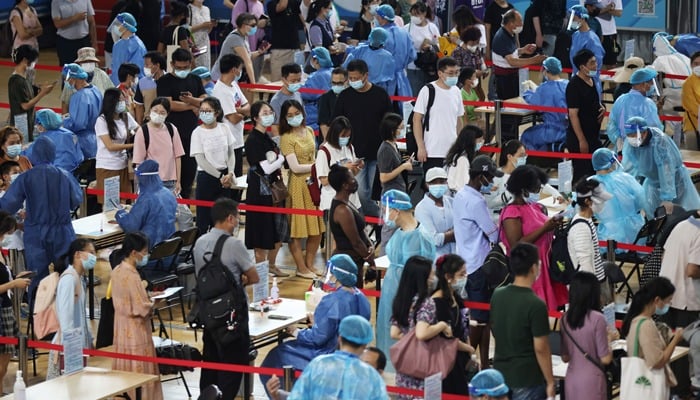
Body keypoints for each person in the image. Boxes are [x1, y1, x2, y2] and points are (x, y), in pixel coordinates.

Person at [260, 254, 372, 394]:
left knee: (278, 354)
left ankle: (287, 395)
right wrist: (319, 322)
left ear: (336, 275)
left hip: (327, 352)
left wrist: (295, 331)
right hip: (354, 351)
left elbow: (318, 338)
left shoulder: (332, 300)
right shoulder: (362, 298)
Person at [192, 198, 259, 399]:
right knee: (232, 368)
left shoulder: (200, 242)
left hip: (208, 314)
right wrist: (240, 279)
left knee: (210, 364)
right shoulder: (234, 245)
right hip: (232, 317)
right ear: (230, 218)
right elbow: (254, 276)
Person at [0, 136, 81, 296]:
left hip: (36, 233)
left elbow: (8, 205)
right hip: (63, 231)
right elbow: (76, 201)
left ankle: (38, 316)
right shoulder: (64, 175)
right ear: (53, 153)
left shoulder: (26, 177)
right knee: (68, 276)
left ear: (34, 154)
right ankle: (68, 312)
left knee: (36, 280)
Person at [376, 189, 435, 370]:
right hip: (391, 291)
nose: (385, 214)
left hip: (409, 295)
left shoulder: (421, 236)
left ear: (397, 210)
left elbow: (428, 272)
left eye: (387, 209)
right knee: (387, 332)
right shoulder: (398, 232)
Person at [453, 155, 501, 369]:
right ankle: (465, 362)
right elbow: (492, 233)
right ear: (481, 177)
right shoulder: (476, 201)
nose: (491, 181)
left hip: (467, 261)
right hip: (479, 265)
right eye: (489, 177)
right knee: (480, 318)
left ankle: (482, 363)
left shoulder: (461, 195)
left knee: (483, 318)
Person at [491, 242, 554, 399]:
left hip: (501, 375)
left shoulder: (497, 295)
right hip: (528, 377)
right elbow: (541, 348)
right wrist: (550, 381)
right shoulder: (536, 304)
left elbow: (495, 328)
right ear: (534, 268)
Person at [500, 165, 568, 311]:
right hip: (529, 271)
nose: (538, 192)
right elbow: (516, 245)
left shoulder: (536, 207)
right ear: (524, 189)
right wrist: (544, 229)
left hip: (546, 267)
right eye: (536, 189)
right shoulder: (511, 213)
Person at [333, 59, 393, 217]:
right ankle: (378, 221)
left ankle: (378, 225)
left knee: (375, 193)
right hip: (354, 154)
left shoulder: (380, 95)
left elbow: (390, 121)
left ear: (366, 75)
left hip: (377, 153)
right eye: (350, 78)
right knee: (361, 194)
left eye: (356, 78)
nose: (353, 81)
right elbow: (336, 123)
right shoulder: (345, 96)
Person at [110, 232, 164, 400]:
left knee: (125, 368)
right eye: (145, 251)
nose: (146, 255)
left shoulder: (117, 270)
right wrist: (155, 303)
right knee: (140, 369)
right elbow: (141, 307)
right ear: (134, 252)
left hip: (120, 326)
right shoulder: (132, 276)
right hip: (136, 329)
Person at [287, 315, 388, 400]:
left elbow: (297, 397)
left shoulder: (318, 364)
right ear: (365, 344)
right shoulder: (371, 375)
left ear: (339, 338)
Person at [389, 255, 448, 398]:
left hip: (405, 365)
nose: (433, 278)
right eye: (431, 275)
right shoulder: (426, 303)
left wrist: (410, 340)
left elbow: (394, 333)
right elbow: (422, 333)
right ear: (423, 278)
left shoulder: (401, 300)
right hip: (426, 364)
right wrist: (441, 325)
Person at [279, 100, 325, 278]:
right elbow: (295, 167)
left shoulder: (310, 131)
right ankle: (300, 267)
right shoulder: (286, 138)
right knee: (297, 230)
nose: (293, 118)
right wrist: (317, 166)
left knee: (317, 228)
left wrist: (316, 168)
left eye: (296, 113)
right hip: (297, 186)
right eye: (289, 115)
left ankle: (310, 264)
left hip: (313, 184)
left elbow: (314, 155)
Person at [621, 116, 700, 216]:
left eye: (634, 135)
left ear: (644, 132)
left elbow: (666, 170)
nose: (632, 138)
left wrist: (667, 197)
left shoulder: (659, 142)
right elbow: (628, 166)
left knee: (676, 216)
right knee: (654, 216)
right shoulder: (631, 144)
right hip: (652, 183)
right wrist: (623, 186)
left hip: (675, 183)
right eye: (629, 135)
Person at [244, 101, 288, 278]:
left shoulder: (267, 137)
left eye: (270, 112)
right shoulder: (253, 140)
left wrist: (277, 159)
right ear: (255, 118)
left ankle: (272, 264)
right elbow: (265, 168)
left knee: (277, 230)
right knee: (260, 231)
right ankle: (261, 270)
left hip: (273, 189)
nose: (269, 115)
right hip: (259, 191)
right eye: (264, 112)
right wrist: (282, 159)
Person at [621, 277, 684, 399]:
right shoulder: (646, 324)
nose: (668, 305)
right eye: (668, 301)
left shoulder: (639, 320)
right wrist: (676, 339)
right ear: (657, 300)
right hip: (647, 386)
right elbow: (656, 362)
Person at [156, 48, 207, 199]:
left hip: (191, 133)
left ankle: (185, 199)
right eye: (179, 68)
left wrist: (192, 101)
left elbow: (204, 100)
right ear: (172, 64)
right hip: (170, 133)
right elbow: (169, 104)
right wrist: (193, 105)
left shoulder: (195, 79)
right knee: (171, 170)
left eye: (185, 67)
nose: (182, 70)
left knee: (189, 170)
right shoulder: (164, 81)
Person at [491, 9, 546, 140]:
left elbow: (512, 53)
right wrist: (534, 60)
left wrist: (523, 50)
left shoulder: (509, 34)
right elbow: (512, 61)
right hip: (504, 80)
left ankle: (511, 138)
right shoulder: (501, 37)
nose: (522, 24)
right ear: (511, 23)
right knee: (507, 114)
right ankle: (505, 140)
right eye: (519, 21)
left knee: (513, 112)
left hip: (511, 78)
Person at [560, 271, 616, 400]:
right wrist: (609, 339)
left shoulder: (564, 319)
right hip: (593, 380)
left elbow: (565, 357)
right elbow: (605, 359)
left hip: (571, 379)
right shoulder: (597, 319)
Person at [46, 238, 95, 380]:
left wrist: (88, 338)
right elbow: (66, 317)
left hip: (77, 345)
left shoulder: (79, 278)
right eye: (90, 253)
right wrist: (70, 350)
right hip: (67, 348)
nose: (94, 257)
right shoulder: (68, 279)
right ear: (78, 254)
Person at [190, 97, 237, 234]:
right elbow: (201, 160)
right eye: (202, 110)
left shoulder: (224, 128)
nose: (204, 113)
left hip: (225, 178)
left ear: (216, 112)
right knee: (203, 221)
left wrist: (231, 173)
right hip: (207, 177)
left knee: (223, 220)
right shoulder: (197, 133)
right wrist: (220, 176)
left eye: (208, 111)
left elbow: (230, 153)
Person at [430, 254, 475, 395]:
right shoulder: (437, 303)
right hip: (445, 361)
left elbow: (463, 325)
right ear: (448, 277)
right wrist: (469, 348)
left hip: (459, 357)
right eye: (461, 274)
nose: (465, 277)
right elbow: (446, 338)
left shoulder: (455, 297)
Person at [413, 57, 464, 171]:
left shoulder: (456, 91)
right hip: (432, 150)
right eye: (450, 73)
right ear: (440, 73)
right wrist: (420, 147)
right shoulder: (428, 90)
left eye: (457, 72)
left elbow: (459, 119)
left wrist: (460, 144)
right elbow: (417, 119)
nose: (454, 76)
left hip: (452, 150)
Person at [568, 178, 613, 304]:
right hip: (590, 286)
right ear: (588, 201)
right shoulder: (581, 228)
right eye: (600, 201)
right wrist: (593, 294)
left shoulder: (587, 220)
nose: (603, 204)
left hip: (597, 280)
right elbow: (585, 264)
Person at [328, 164, 374, 287]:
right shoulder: (342, 210)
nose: (355, 180)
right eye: (352, 178)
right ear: (345, 185)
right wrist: (370, 260)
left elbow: (360, 232)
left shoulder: (347, 203)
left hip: (355, 259)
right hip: (348, 262)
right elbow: (356, 242)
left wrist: (369, 245)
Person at [212, 54, 250, 200]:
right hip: (228, 143)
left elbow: (247, 106)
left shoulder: (234, 85)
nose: (241, 72)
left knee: (238, 180)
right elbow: (233, 118)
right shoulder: (220, 90)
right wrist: (242, 112)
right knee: (230, 183)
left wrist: (239, 110)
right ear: (234, 70)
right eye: (240, 69)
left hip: (238, 141)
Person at [590, 147, 646, 246]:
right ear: (612, 162)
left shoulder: (590, 184)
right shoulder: (626, 178)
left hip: (609, 238)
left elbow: (577, 209)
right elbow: (642, 200)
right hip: (636, 235)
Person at [116, 160, 177, 249]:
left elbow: (131, 226)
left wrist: (120, 214)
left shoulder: (146, 198)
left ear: (143, 178)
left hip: (149, 250)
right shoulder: (168, 193)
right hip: (169, 249)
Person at [0, 212, 29, 394]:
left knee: (4, 363)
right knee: (1, 365)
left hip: (6, 309)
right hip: (1, 312)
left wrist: (15, 277)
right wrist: (13, 284)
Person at [566, 49, 605, 183]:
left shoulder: (592, 80)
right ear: (582, 67)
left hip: (593, 135)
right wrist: (582, 140)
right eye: (592, 63)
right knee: (581, 174)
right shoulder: (574, 86)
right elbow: (573, 115)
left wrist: (602, 108)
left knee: (594, 172)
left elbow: (594, 101)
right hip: (579, 137)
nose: (596, 65)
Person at [132, 97, 185, 193]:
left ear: (167, 114)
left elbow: (178, 156)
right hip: (150, 182)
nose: (158, 114)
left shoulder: (172, 129)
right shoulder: (143, 131)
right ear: (150, 110)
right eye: (155, 111)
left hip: (170, 183)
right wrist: (140, 184)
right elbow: (139, 161)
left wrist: (178, 181)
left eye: (162, 112)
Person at [606, 67, 663, 152]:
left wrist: (619, 140)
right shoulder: (647, 103)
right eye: (651, 83)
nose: (652, 87)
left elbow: (611, 124)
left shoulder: (620, 99)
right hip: (642, 150)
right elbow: (655, 130)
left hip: (621, 148)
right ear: (642, 84)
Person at [660, 211, 700, 330]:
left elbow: (663, 257)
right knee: (685, 346)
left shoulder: (681, 225)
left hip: (666, 296)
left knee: (667, 342)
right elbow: (692, 270)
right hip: (687, 302)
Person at [95, 88, 135, 205]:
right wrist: (132, 145)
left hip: (123, 166)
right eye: (120, 100)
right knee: (110, 206)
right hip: (107, 167)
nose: (123, 103)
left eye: (123, 100)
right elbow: (110, 146)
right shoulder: (101, 121)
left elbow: (139, 130)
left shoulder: (126, 117)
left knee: (125, 203)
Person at [520, 57, 568, 151]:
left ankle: (534, 162)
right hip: (567, 131)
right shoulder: (567, 84)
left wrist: (527, 92)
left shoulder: (545, 88)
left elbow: (533, 102)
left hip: (552, 131)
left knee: (526, 135)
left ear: (546, 71)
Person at [8, 45, 54, 143]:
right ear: (25, 60)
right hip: (21, 121)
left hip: (27, 119)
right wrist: (42, 93)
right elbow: (25, 105)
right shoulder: (16, 81)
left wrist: (44, 90)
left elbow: (32, 92)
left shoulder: (24, 78)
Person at [651, 32, 690, 146]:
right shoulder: (683, 57)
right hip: (690, 93)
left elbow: (653, 78)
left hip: (674, 95)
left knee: (658, 102)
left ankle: (673, 135)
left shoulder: (660, 60)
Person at [317, 117, 362, 212]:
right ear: (335, 134)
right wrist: (342, 169)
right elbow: (324, 181)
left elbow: (353, 174)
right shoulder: (324, 152)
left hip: (353, 202)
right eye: (343, 136)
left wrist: (357, 167)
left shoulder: (349, 147)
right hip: (332, 204)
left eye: (348, 136)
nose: (345, 139)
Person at [211, 13, 269, 84]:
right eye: (253, 25)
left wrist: (259, 52)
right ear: (244, 25)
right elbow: (247, 62)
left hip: (231, 77)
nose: (255, 28)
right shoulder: (235, 38)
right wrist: (253, 84)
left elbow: (248, 56)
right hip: (220, 77)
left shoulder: (243, 36)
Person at [374, 4, 415, 101]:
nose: (376, 19)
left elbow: (372, 55)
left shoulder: (378, 34)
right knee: (400, 111)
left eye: (377, 17)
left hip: (383, 80)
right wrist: (400, 65)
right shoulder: (405, 33)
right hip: (401, 80)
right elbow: (412, 55)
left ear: (381, 18)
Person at [63, 63, 103, 159]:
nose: (67, 81)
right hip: (97, 138)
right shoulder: (95, 90)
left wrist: (63, 123)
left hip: (83, 142)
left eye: (68, 79)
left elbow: (78, 123)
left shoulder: (79, 97)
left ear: (74, 78)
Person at [60, 47, 115, 115]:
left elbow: (113, 94)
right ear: (79, 63)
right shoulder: (72, 78)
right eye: (85, 62)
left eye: (91, 61)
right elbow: (65, 102)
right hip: (78, 116)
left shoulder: (102, 75)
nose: (88, 64)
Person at [342, 27, 395, 97]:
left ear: (370, 37)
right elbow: (390, 82)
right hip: (378, 92)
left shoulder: (358, 51)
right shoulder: (388, 57)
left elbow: (345, 68)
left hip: (358, 88)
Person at [415, 167, 455, 257]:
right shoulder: (422, 208)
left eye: (441, 181)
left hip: (454, 257)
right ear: (427, 184)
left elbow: (462, 228)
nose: (438, 185)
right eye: (434, 182)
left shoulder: (452, 202)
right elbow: (433, 240)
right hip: (432, 260)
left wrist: (446, 235)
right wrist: (452, 234)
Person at [28, 109, 83, 173]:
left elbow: (29, 156)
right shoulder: (69, 133)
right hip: (73, 172)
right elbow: (79, 156)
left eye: (37, 124)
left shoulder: (44, 139)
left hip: (54, 174)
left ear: (41, 125)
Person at [404, 2, 440, 96]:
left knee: (430, 95)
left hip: (429, 67)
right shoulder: (406, 29)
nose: (414, 17)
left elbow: (439, 45)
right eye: (412, 14)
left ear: (424, 14)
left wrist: (430, 47)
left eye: (417, 14)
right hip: (413, 67)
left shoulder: (432, 27)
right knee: (415, 95)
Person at [568, 5, 605, 94]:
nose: (571, 21)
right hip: (576, 80)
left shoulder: (592, 40)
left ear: (583, 18)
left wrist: (587, 78)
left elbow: (596, 66)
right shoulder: (576, 35)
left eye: (574, 18)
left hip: (589, 84)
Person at [50, 0, 97, 66]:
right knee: (68, 72)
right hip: (65, 43)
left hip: (84, 42)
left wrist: (94, 43)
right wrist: (74, 18)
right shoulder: (56, 2)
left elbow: (91, 22)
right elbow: (57, 24)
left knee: (87, 69)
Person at [230, 0, 268, 81]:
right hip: (243, 47)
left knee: (256, 75)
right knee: (242, 79)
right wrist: (256, 24)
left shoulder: (260, 4)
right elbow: (236, 23)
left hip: (256, 46)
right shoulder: (241, 2)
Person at [267, 0, 302, 82]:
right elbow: (282, 6)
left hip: (294, 48)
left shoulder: (294, 3)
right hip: (279, 50)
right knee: (278, 82)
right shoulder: (272, 4)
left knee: (295, 81)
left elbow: (304, 15)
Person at [377, 112, 411, 196]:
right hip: (391, 194)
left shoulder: (394, 145)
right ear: (392, 131)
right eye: (400, 128)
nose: (402, 131)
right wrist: (403, 167)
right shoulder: (386, 149)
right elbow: (383, 177)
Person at [301, 47, 334, 132]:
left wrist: (298, 86)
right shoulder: (333, 72)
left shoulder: (317, 76)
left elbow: (306, 94)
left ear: (316, 60)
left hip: (315, 117)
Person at [109, 12, 146, 86]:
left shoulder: (137, 46)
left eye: (118, 24)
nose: (115, 26)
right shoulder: (117, 45)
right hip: (115, 86)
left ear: (125, 26)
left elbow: (136, 71)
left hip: (129, 88)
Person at [453, 29, 489, 102]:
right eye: (473, 42)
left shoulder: (477, 50)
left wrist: (484, 70)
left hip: (476, 84)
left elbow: (481, 61)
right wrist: (474, 73)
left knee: (481, 99)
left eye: (476, 42)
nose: (475, 44)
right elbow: (456, 69)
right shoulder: (458, 51)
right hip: (464, 85)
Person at [445, 125, 484, 192]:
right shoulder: (462, 160)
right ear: (471, 141)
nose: (482, 143)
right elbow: (463, 184)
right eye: (479, 140)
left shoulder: (458, 155)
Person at [307, 0, 345, 66]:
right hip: (323, 64)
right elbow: (319, 51)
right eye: (330, 8)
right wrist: (335, 51)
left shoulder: (326, 22)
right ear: (323, 9)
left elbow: (331, 40)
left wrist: (335, 40)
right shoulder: (316, 27)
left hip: (333, 62)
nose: (331, 11)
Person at [270, 63, 304, 135]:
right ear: (283, 79)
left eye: (299, 80)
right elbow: (275, 127)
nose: (297, 83)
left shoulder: (298, 94)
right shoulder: (276, 101)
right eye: (293, 81)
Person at [133, 51, 167, 124]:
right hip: (149, 121)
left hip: (166, 122)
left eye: (147, 65)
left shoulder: (170, 80)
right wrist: (140, 126)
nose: (145, 67)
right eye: (144, 65)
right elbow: (139, 106)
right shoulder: (142, 82)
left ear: (157, 65)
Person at [318, 67, 348, 140]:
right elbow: (323, 123)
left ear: (347, 81)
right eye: (334, 83)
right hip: (331, 137)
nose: (336, 86)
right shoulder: (325, 98)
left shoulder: (351, 96)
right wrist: (327, 141)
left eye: (340, 83)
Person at [186, 0, 215, 69]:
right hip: (193, 42)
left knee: (205, 68)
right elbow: (186, 29)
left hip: (205, 42)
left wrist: (210, 26)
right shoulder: (188, 8)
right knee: (194, 67)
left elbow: (207, 31)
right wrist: (201, 26)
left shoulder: (206, 9)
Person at [595, 0, 622, 70]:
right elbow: (588, 12)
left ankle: (608, 80)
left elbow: (619, 13)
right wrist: (607, 9)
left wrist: (599, 11)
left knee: (611, 63)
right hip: (593, 32)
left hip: (609, 33)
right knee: (593, 61)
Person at [682, 51, 700, 145]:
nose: (698, 66)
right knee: (693, 157)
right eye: (695, 64)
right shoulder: (688, 83)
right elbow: (692, 105)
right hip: (693, 127)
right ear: (691, 65)